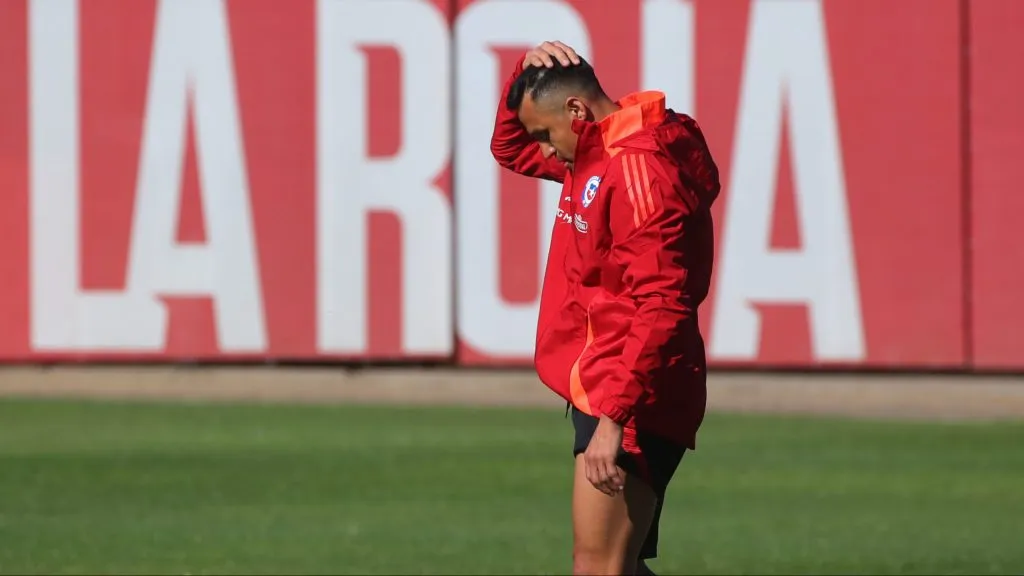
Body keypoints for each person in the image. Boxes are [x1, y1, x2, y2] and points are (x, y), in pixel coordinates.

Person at [490, 41, 721, 575]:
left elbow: (664, 306)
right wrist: (522, 77)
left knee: (599, 568)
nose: (544, 152)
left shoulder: (636, 169)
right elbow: (509, 150)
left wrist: (615, 418)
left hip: (632, 387)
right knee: (618, 565)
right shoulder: (597, 151)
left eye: (547, 135)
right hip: (612, 378)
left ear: (576, 112)